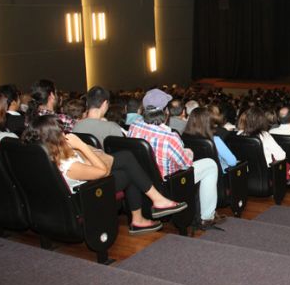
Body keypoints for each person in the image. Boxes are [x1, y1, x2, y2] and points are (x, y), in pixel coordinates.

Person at [22, 115, 187, 234]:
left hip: (81, 187)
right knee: (128, 172)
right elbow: (102, 171)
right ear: (55, 137)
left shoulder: (42, 155)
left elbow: (97, 163)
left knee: (126, 159)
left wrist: (84, 152)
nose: (66, 133)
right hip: (86, 196)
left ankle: (149, 209)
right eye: (62, 131)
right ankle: (148, 210)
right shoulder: (68, 166)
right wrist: (81, 146)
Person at [128, 88, 224, 229]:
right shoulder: (170, 137)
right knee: (210, 165)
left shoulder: (133, 128)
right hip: (170, 184)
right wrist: (188, 152)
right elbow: (186, 165)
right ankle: (207, 217)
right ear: (166, 112)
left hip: (144, 181)